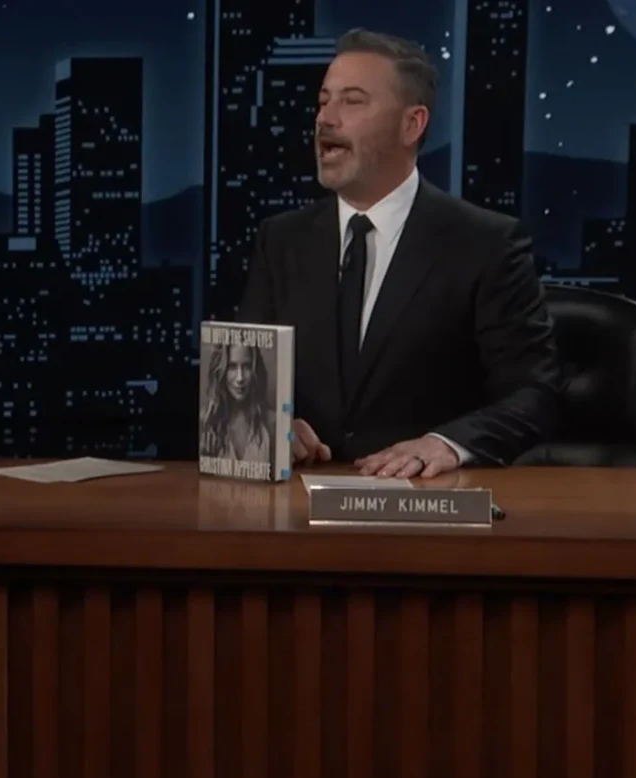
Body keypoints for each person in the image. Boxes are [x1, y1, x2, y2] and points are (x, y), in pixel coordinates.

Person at [237, 28, 563, 478]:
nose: (325, 118)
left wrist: (446, 445)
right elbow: (245, 376)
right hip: (301, 497)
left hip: (426, 501)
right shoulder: (281, 240)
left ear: (412, 124)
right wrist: (269, 422)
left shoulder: (486, 243)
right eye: (323, 101)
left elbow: (534, 393)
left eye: (352, 102)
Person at [200, 341, 274, 462]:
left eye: (247, 366)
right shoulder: (206, 422)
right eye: (232, 367)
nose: (240, 378)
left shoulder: (271, 422)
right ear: (221, 371)